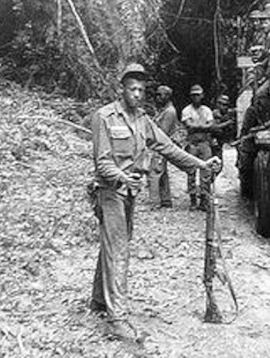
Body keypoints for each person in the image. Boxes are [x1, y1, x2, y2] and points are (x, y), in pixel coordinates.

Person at [89, 64, 220, 341]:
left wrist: (201, 164)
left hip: (128, 193)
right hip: (110, 191)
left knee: (114, 244)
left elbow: (168, 147)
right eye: (132, 88)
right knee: (118, 249)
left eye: (141, 90)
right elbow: (102, 163)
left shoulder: (143, 119)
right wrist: (124, 177)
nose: (137, 94)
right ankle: (116, 319)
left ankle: (99, 301)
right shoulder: (104, 116)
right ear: (121, 89)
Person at [181, 84, 214, 211]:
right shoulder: (186, 110)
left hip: (205, 143)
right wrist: (202, 126)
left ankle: (204, 199)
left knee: (206, 172)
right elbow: (189, 125)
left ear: (202, 96)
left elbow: (210, 126)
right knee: (191, 171)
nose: (196, 97)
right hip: (192, 144)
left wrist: (197, 126)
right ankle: (193, 199)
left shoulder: (206, 110)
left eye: (198, 95)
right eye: (194, 95)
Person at [147, 85, 180, 208]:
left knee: (154, 173)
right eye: (157, 95)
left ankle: (154, 202)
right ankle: (165, 200)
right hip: (161, 145)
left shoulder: (170, 112)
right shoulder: (164, 110)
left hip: (161, 145)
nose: (157, 97)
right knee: (162, 172)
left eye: (160, 95)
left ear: (167, 96)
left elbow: (163, 132)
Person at [211, 94, 236, 162]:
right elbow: (214, 127)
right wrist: (227, 123)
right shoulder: (215, 113)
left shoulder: (229, 113)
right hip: (215, 137)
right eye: (222, 104)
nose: (224, 107)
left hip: (226, 138)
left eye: (225, 105)